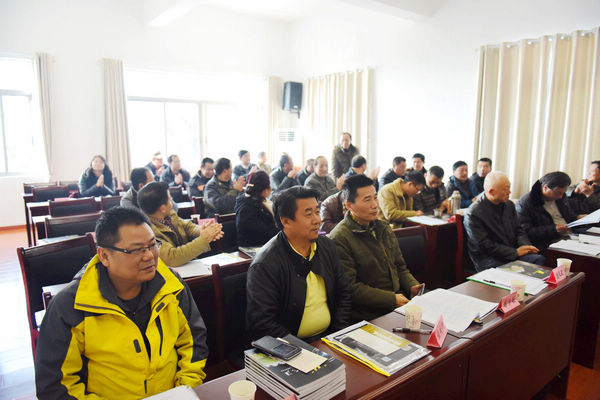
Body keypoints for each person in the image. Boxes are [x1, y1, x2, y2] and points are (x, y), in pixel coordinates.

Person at [34, 207, 209, 398]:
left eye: (153, 245)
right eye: (136, 250)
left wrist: (184, 390)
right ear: (104, 256)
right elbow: (55, 387)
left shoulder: (171, 284)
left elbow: (194, 342)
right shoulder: (70, 306)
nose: (149, 256)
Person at [246, 186, 351, 342]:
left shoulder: (326, 246)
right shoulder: (265, 264)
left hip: (330, 337)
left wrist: (337, 336)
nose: (317, 220)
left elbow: (343, 293)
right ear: (286, 221)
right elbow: (263, 323)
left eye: (317, 212)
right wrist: (306, 349)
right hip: (292, 346)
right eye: (308, 214)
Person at [329, 175, 423, 322]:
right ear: (349, 205)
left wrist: (412, 285)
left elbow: (399, 266)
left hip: (397, 302)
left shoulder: (383, 227)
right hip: (368, 314)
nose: (374, 205)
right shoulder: (339, 238)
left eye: (375, 198)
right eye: (367, 200)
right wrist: (391, 299)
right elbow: (350, 287)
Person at [464, 171, 544, 271]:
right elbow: (484, 245)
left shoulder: (508, 204)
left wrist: (525, 246)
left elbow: (518, 229)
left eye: (509, 187)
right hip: (489, 258)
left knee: (538, 259)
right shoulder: (474, 213)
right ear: (491, 192)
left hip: (511, 251)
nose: (509, 192)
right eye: (506, 189)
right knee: (528, 267)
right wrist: (515, 252)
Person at [138, 182, 223, 267]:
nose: (172, 203)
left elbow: (187, 227)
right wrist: (204, 239)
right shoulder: (148, 231)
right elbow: (172, 257)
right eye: (170, 199)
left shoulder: (169, 215)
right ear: (162, 208)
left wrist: (203, 230)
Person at [516, 172, 580, 252]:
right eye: (558, 193)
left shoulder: (560, 196)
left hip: (570, 235)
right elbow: (526, 231)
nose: (561, 196)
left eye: (563, 193)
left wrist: (578, 217)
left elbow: (568, 215)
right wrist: (553, 229)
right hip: (548, 242)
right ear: (545, 188)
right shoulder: (527, 203)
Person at [234, 170, 279, 247]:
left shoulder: (254, 200)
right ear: (265, 190)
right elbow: (265, 233)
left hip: (266, 243)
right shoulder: (248, 208)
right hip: (253, 246)